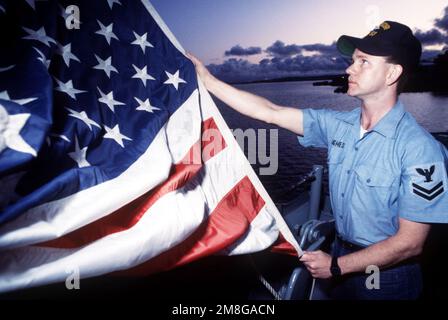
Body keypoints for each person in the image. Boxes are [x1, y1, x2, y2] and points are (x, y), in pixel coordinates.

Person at [187, 21, 448, 300]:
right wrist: (208, 80)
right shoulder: (338, 125)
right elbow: (270, 111)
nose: (350, 69)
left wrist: (336, 267)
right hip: (339, 253)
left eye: (363, 62)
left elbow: (410, 244)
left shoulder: (420, 149)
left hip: (385, 276)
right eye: (352, 60)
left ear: (392, 74)